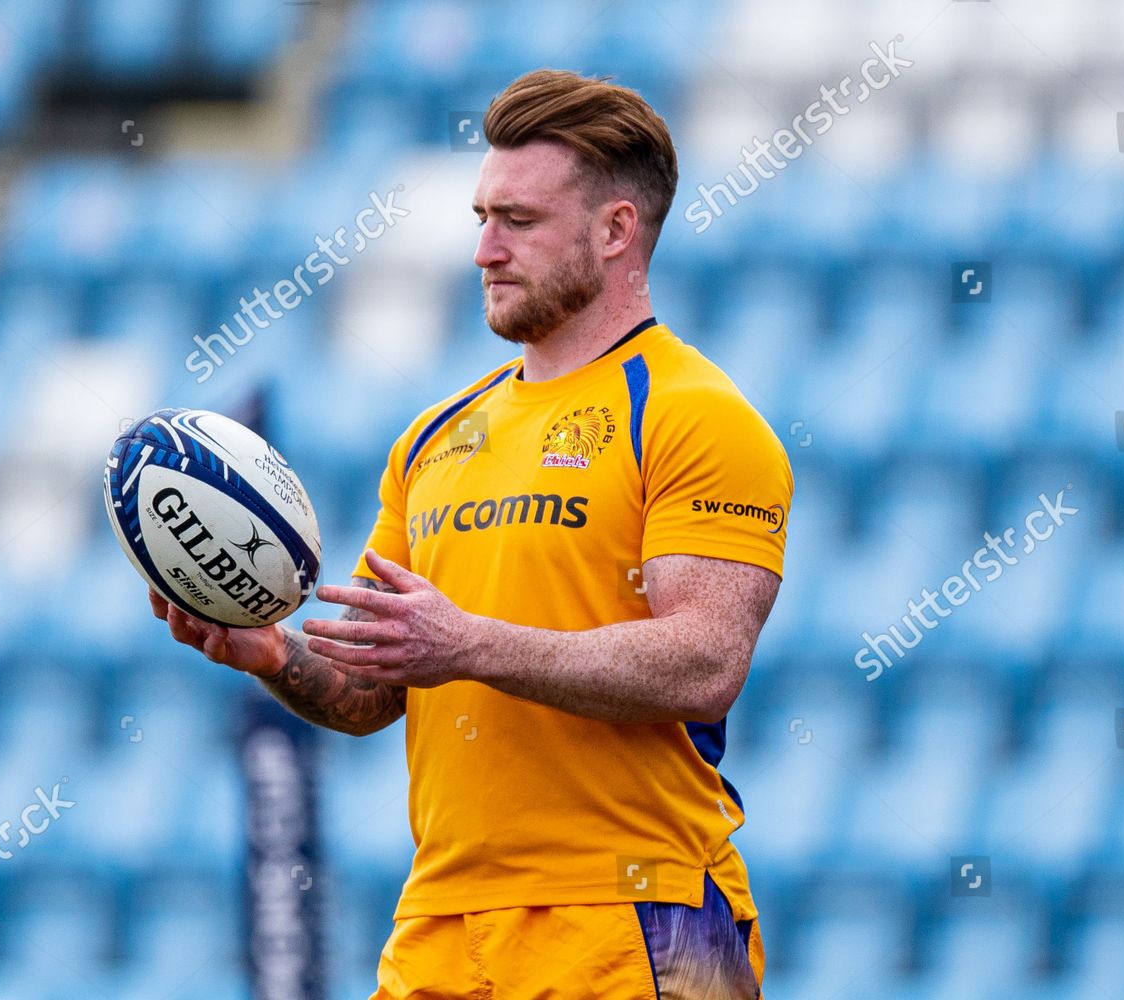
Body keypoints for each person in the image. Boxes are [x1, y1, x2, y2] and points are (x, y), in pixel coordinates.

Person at [152, 68, 793, 999]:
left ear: (616, 230)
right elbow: (373, 693)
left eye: (519, 222)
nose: (486, 250)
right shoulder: (432, 438)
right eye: (481, 217)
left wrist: (471, 643)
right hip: (440, 929)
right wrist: (271, 655)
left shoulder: (695, 415)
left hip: (632, 917)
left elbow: (703, 663)